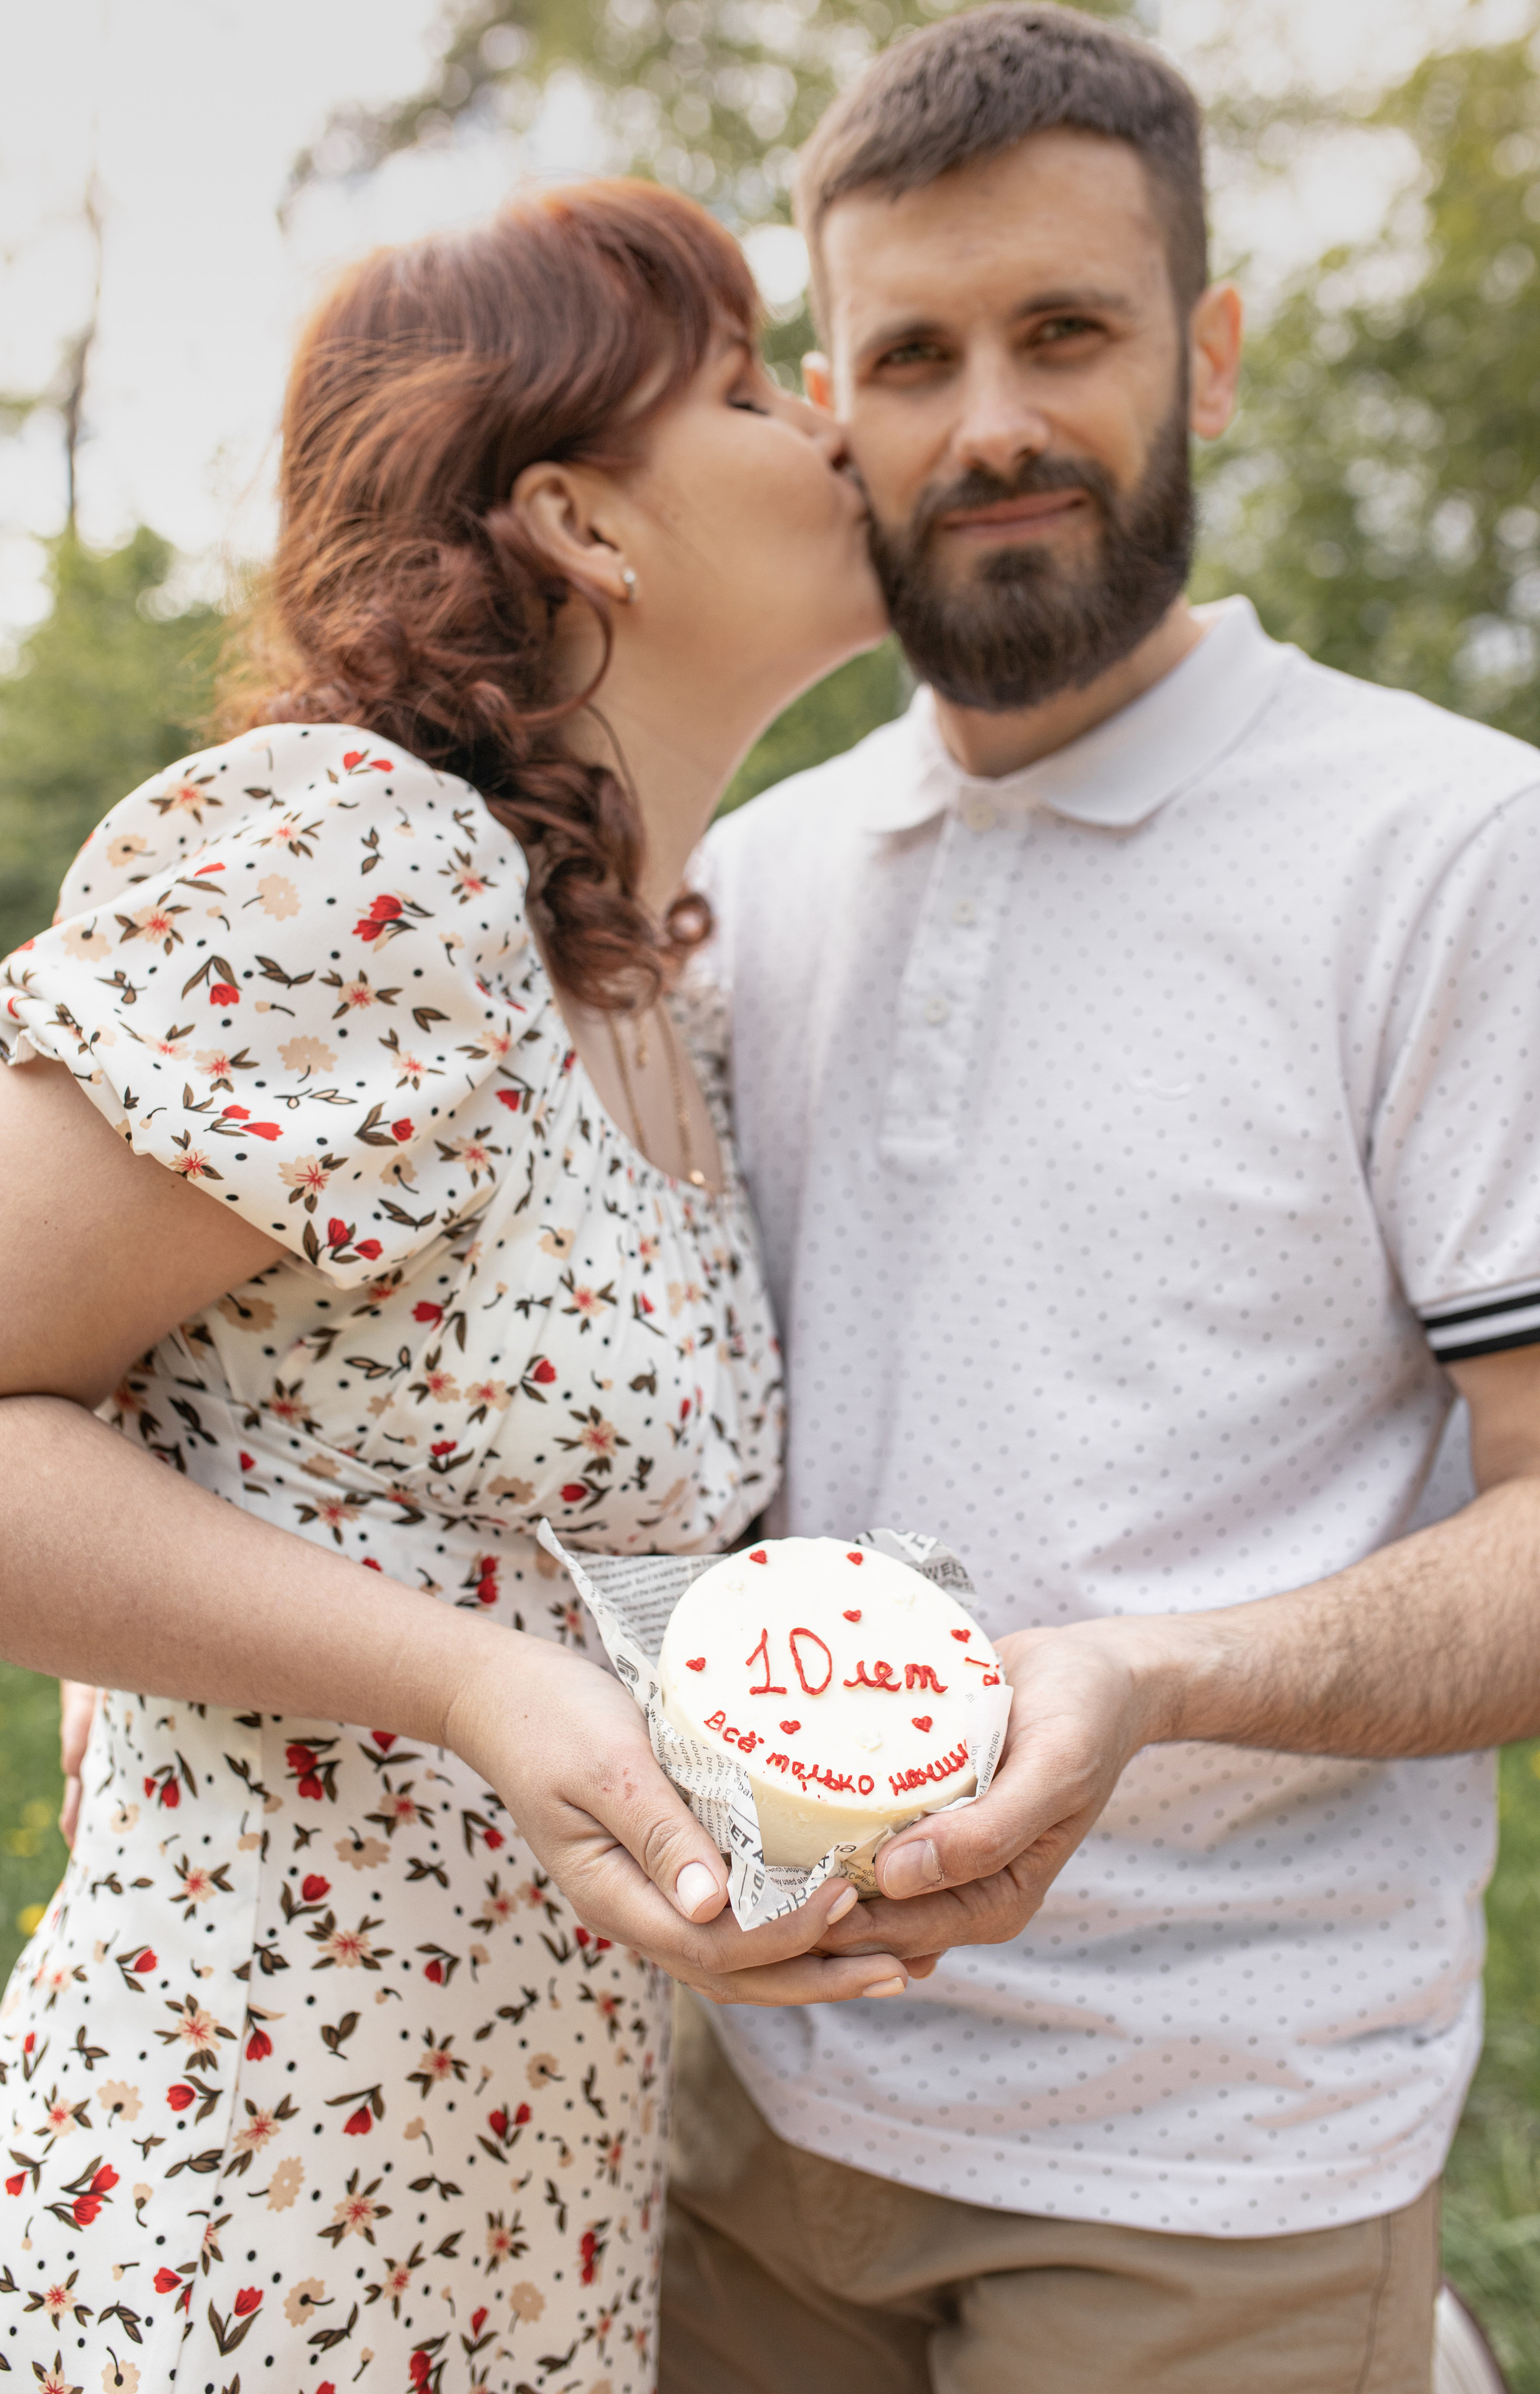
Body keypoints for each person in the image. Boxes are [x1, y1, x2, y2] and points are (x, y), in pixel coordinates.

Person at [0, 181, 907, 2393]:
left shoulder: (669, 998)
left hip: (523, 2238)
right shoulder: (356, 865)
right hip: (220, 2239)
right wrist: (470, 1689)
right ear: (583, 516)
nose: (836, 421)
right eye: (760, 387)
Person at [660, 9, 1540, 2392]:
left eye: (1068, 332)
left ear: (1213, 356)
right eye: (913, 355)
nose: (992, 426)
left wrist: (1155, 1684)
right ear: (829, 400)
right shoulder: (749, 879)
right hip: (740, 2104)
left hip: (1212, 2153)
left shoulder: (1455, 851)